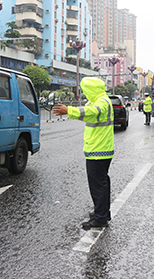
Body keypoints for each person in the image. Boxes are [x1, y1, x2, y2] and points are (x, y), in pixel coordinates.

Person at [53, 77, 114, 230]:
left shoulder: (102, 102)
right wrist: (71, 110)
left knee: (98, 185)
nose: (85, 94)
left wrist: (69, 110)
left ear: (91, 89)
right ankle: (103, 213)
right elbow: (88, 111)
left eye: (86, 90)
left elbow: (92, 112)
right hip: (99, 149)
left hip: (98, 151)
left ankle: (100, 218)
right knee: (102, 183)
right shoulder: (98, 99)